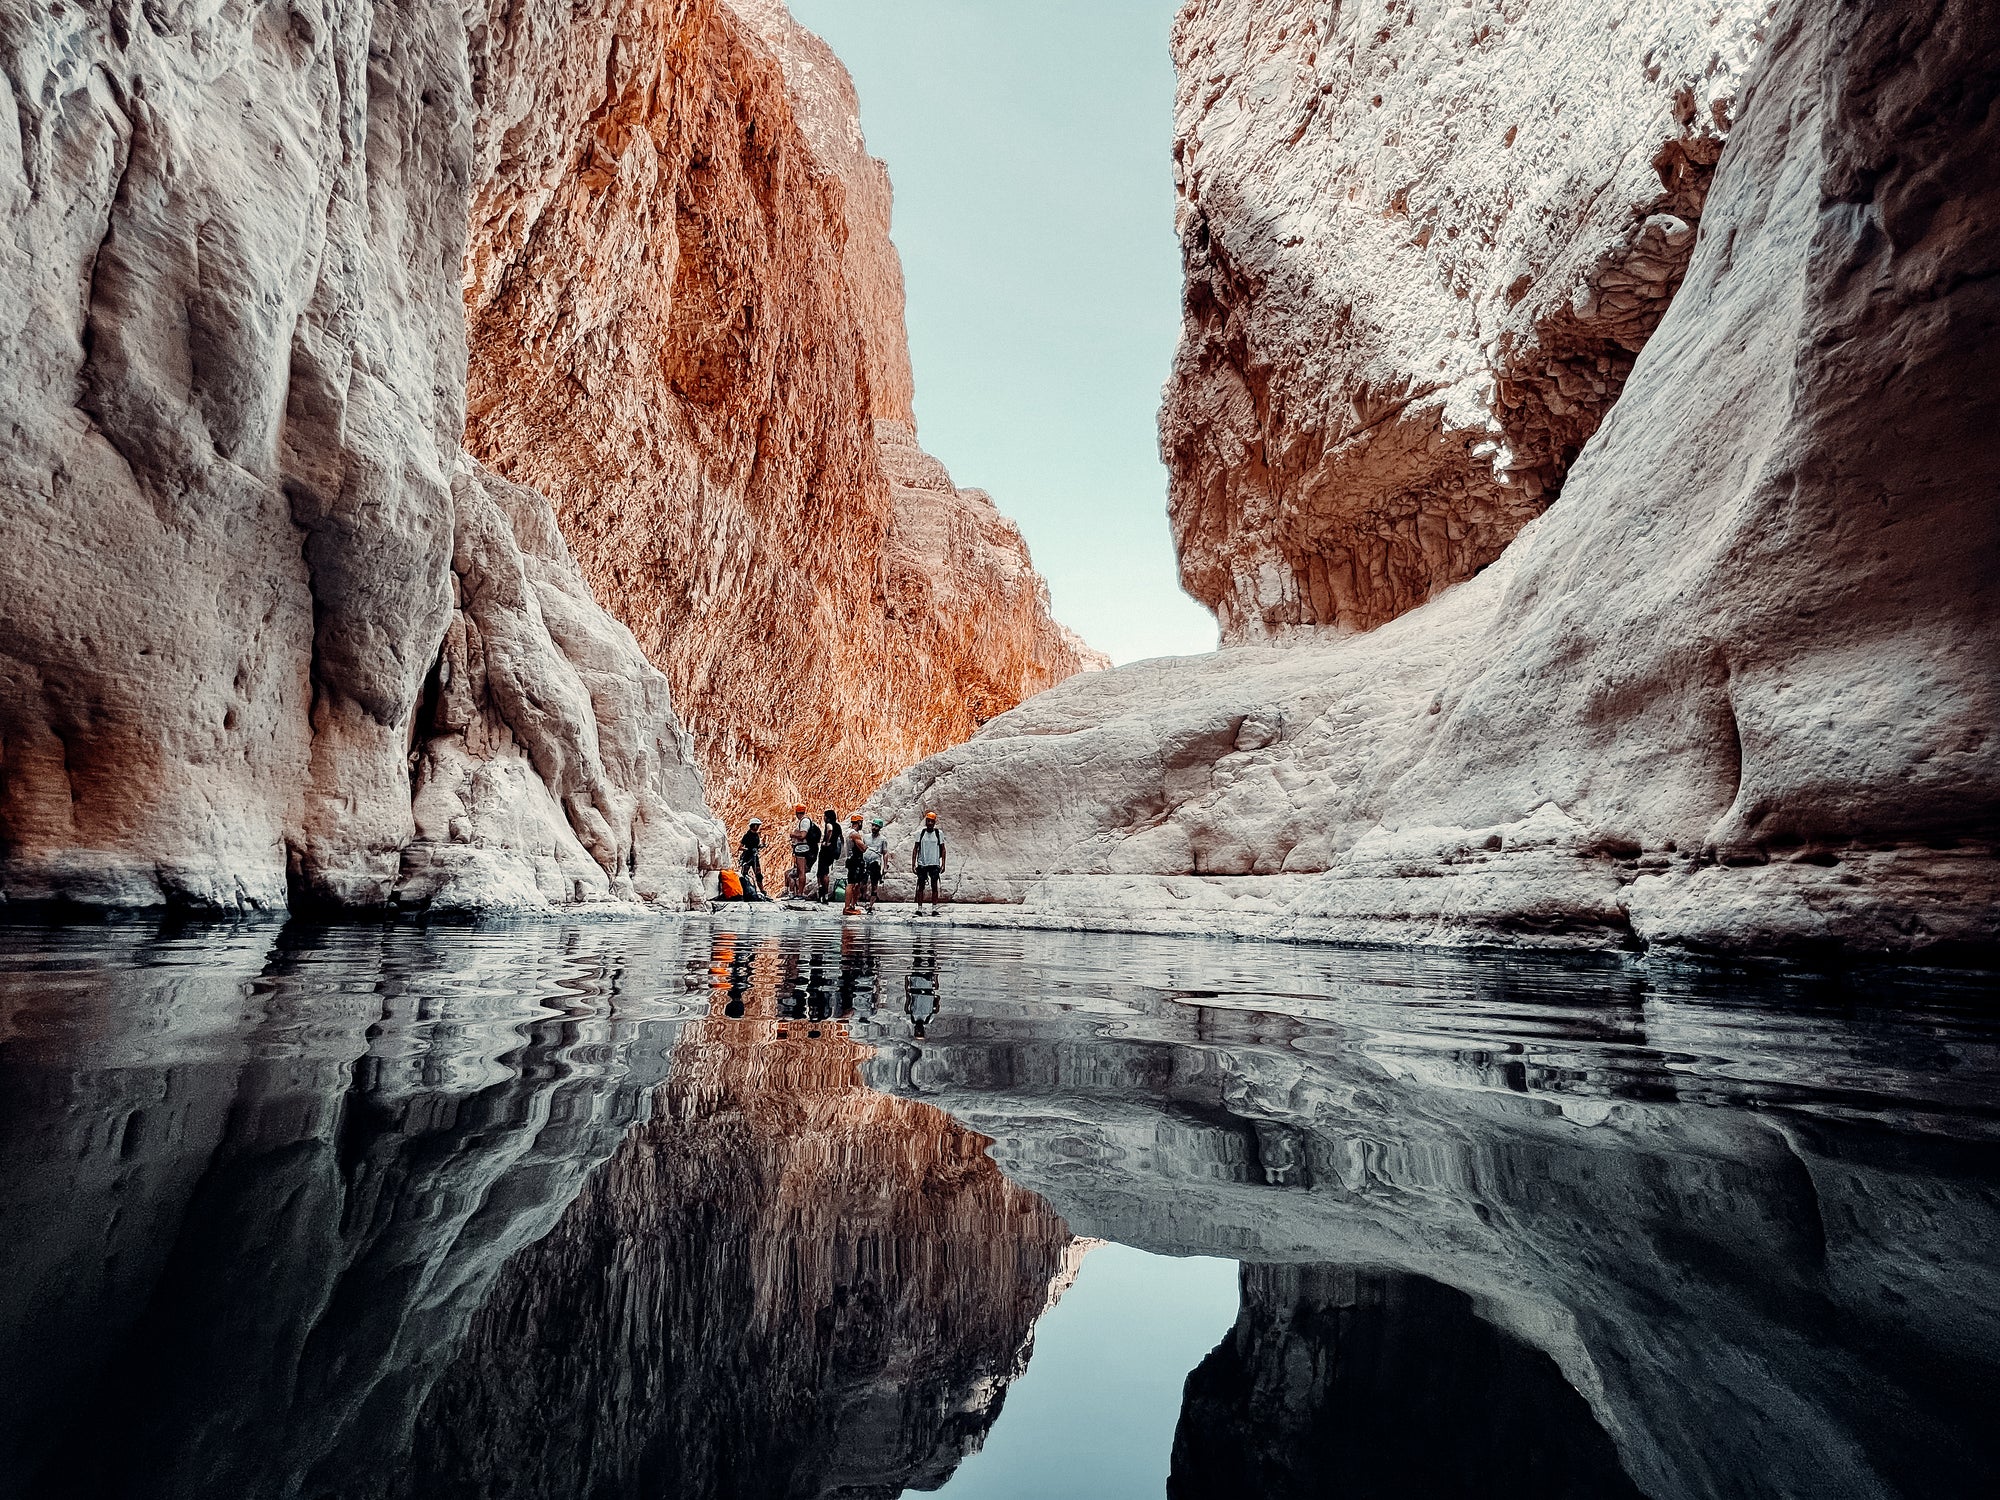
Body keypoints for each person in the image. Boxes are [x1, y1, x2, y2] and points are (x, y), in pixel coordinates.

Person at [911, 811, 947, 916]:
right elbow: (915, 849)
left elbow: (943, 849)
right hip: (922, 863)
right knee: (920, 886)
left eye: (932, 821)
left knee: (934, 886)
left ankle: (934, 908)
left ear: (934, 822)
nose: (930, 823)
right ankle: (919, 908)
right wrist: (913, 864)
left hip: (934, 863)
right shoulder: (920, 833)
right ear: (926, 821)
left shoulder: (938, 833)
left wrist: (943, 864)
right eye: (928, 821)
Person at [787, 803, 818, 898]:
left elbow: (803, 835)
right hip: (804, 848)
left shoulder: (804, 822)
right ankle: (798, 892)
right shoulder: (805, 821)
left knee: (801, 871)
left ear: (797, 813)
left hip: (802, 849)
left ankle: (800, 893)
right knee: (801, 871)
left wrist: (793, 835)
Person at [842, 814, 868, 915]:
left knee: (856, 884)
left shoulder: (849, 832)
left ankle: (852, 905)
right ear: (859, 823)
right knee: (851, 883)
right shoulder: (855, 834)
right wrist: (867, 846)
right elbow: (863, 848)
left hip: (852, 860)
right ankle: (847, 907)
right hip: (854, 860)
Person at [862, 817, 889, 913]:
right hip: (865, 861)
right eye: (873, 825)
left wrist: (885, 866)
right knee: (863, 882)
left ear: (879, 828)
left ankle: (870, 904)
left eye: (876, 826)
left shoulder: (883, 839)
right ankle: (863, 900)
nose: (873, 827)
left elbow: (885, 853)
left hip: (875, 863)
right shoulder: (866, 837)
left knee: (874, 884)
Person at [815, 808, 841, 902]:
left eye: (824, 816)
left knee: (821, 873)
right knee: (825, 872)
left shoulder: (829, 824)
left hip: (826, 851)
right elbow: (841, 839)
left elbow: (829, 830)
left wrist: (826, 841)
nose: (824, 818)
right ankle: (825, 895)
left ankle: (822, 894)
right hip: (833, 852)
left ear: (827, 817)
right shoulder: (838, 826)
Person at [738, 817, 765, 896]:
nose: (758, 827)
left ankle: (762, 890)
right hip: (747, 857)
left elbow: (756, 845)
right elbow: (740, 847)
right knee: (744, 874)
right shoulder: (747, 836)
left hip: (754, 856)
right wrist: (748, 849)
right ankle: (743, 890)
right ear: (754, 826)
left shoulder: (756, 835)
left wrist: (759, 846)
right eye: (757, 825)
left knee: (758, 874)